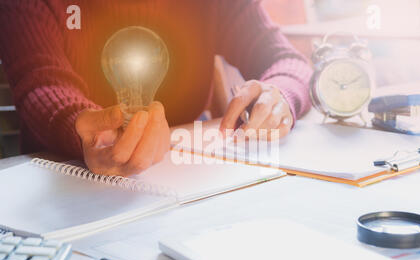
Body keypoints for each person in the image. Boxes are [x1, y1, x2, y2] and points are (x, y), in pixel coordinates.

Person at [0, 0, 312, 176]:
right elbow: (40, 81)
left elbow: (285, 59)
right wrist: (83, 125)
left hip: (184, 184)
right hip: (66, 188)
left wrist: (279, 95)